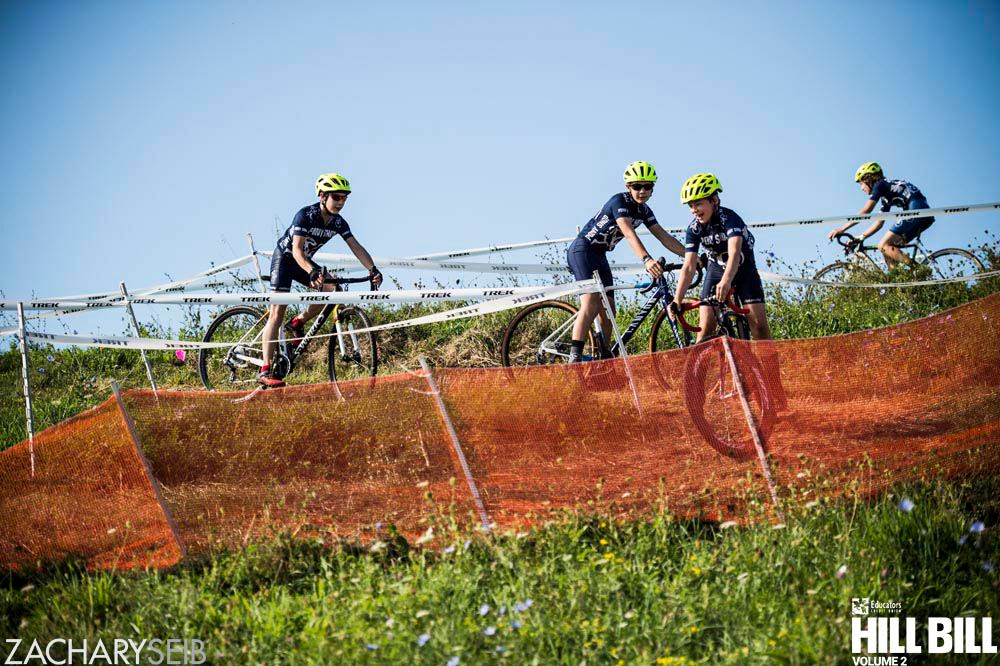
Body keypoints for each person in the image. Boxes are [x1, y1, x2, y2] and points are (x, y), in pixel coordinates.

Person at [258, 173, 383, 388]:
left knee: (332, 288)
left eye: (344, 198)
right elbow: (297, 251)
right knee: (277, 312)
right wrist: (311, 271)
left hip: (303, 261)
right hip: (286, 260)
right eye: (336, 197)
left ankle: (298, 322)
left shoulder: (338, 222)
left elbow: (356, 247)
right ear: (323, 196)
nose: (341, 203)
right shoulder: (305, 215)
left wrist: (372, 269)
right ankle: (265, 369)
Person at [566, 161, 686, 363]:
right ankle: (574, 357)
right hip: (583, 251)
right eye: (637, 186)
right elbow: (629, 233)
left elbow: (664, 236)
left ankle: (600, 361)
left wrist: (691, 256)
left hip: (600, 255)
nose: (642, 191)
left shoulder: (644, 211)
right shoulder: (618, 202)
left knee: (610, 312)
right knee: (592, 304)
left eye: (647, 186)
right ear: (628, 187)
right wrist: (646, 259)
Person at [670, 173, 772, 344]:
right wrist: (677, 299)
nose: (694, 210)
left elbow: (734, 253)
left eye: (699, 204)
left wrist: (726, 281)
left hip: (743, 269)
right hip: (716, 270)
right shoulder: (694, 229)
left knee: (759, 328)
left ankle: (771, 372)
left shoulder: (731, 219)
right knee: (705, 330)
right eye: (691, 205)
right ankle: (697, 370)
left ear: (714, 200)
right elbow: (689, 266)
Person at [827, 162, 935, 268]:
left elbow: (866, 211)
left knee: (883, 245)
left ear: (868, 179)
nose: (861, 188)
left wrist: (841, 229)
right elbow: (879, 223)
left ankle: (919, 270)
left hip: (915, 210)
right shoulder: (886, 193)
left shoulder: (879, 185)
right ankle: (897, 283)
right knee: (888, 249)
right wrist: (860, 238)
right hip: (923, 212)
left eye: (861, 183)